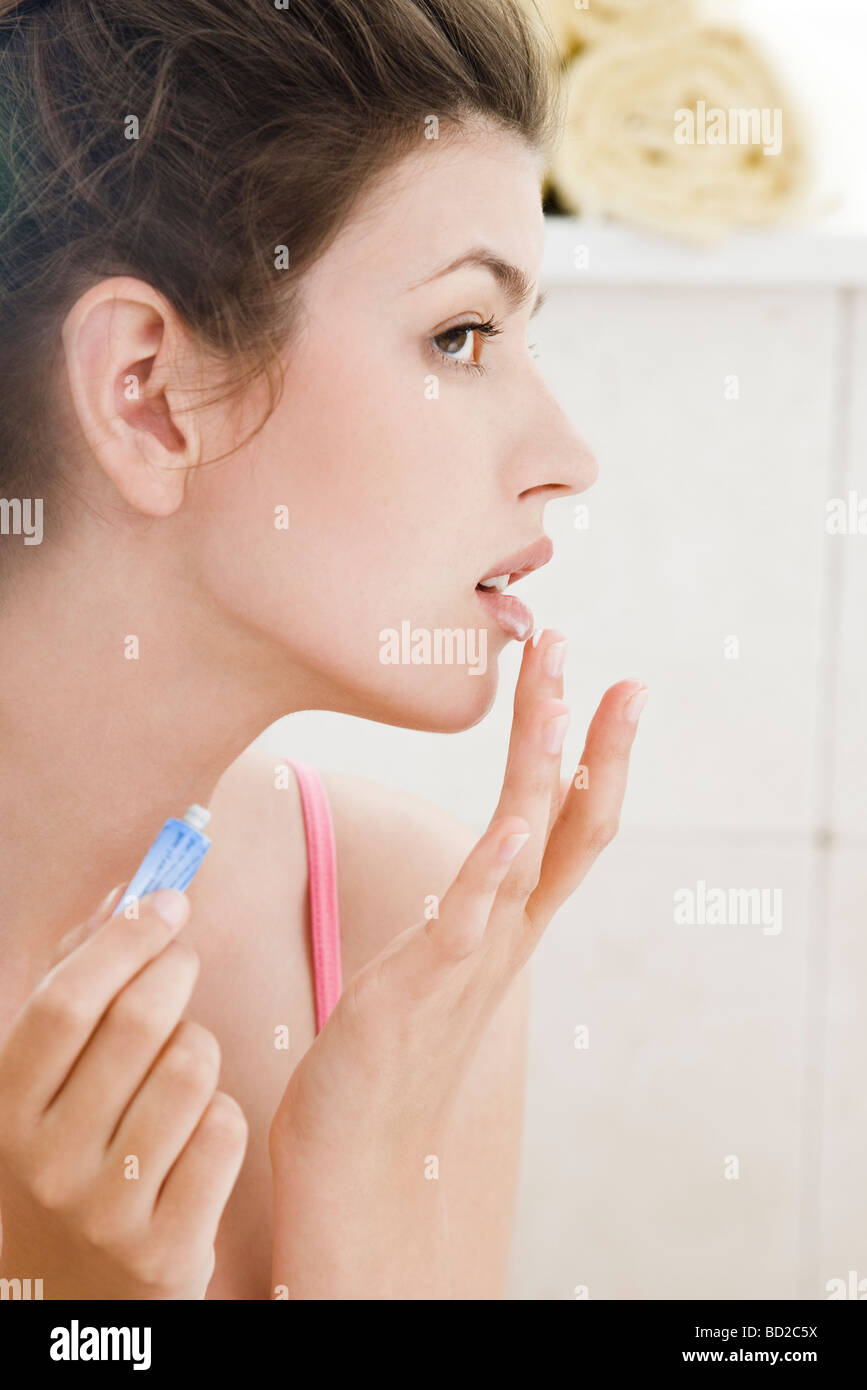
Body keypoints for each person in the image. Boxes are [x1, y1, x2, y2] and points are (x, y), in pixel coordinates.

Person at [0, 0, 647, 1299]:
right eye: (461, 335)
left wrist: (367, 1203)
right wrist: (75, 1298)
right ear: (148, 394)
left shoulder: (398, 925)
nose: (569, 457)